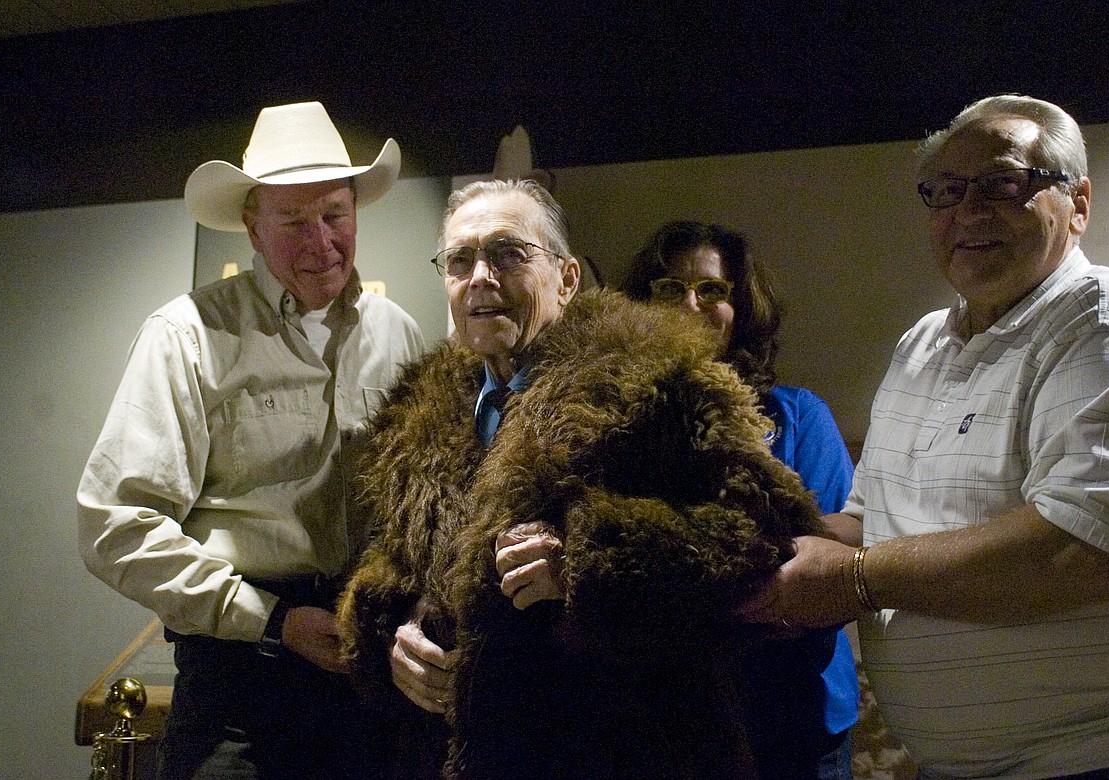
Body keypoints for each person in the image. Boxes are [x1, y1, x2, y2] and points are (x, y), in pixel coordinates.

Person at [335, 179, 825, 779]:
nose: (481, 276)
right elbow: (395, 561)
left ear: (566, 280)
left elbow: (771, 533)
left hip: (633, 752)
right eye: (460, 260)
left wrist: (591, 563)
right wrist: (393, 635)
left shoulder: (658, 377)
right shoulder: (418, 413)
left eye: (509, 253)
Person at [738, 94, 1109, 778]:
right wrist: (743, 548)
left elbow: (1080, 548)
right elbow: (868, 523)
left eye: (1003, 183)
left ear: (1078, 205)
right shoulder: (921, 345)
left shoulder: (1098, 325)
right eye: (946, 190)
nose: (969, 211)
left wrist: (853, 579)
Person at [77, 101, 425, 780]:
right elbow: (113, 528)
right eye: (293, 221)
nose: (319, 241)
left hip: (368, 678)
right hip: (240, 683)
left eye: (333, 215)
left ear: (357, 210)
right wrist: (273, 621)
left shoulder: (401, 334)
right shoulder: (186, 336)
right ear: (252, 227)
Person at [622, 220, 859, 779]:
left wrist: (686, 562)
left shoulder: (797, 415)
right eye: (667, 288)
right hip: (665, 713)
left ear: (741, 307)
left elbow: (845, 533)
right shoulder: (618, 422)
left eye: (711, 290)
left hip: (798, 707)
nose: (689, 304)